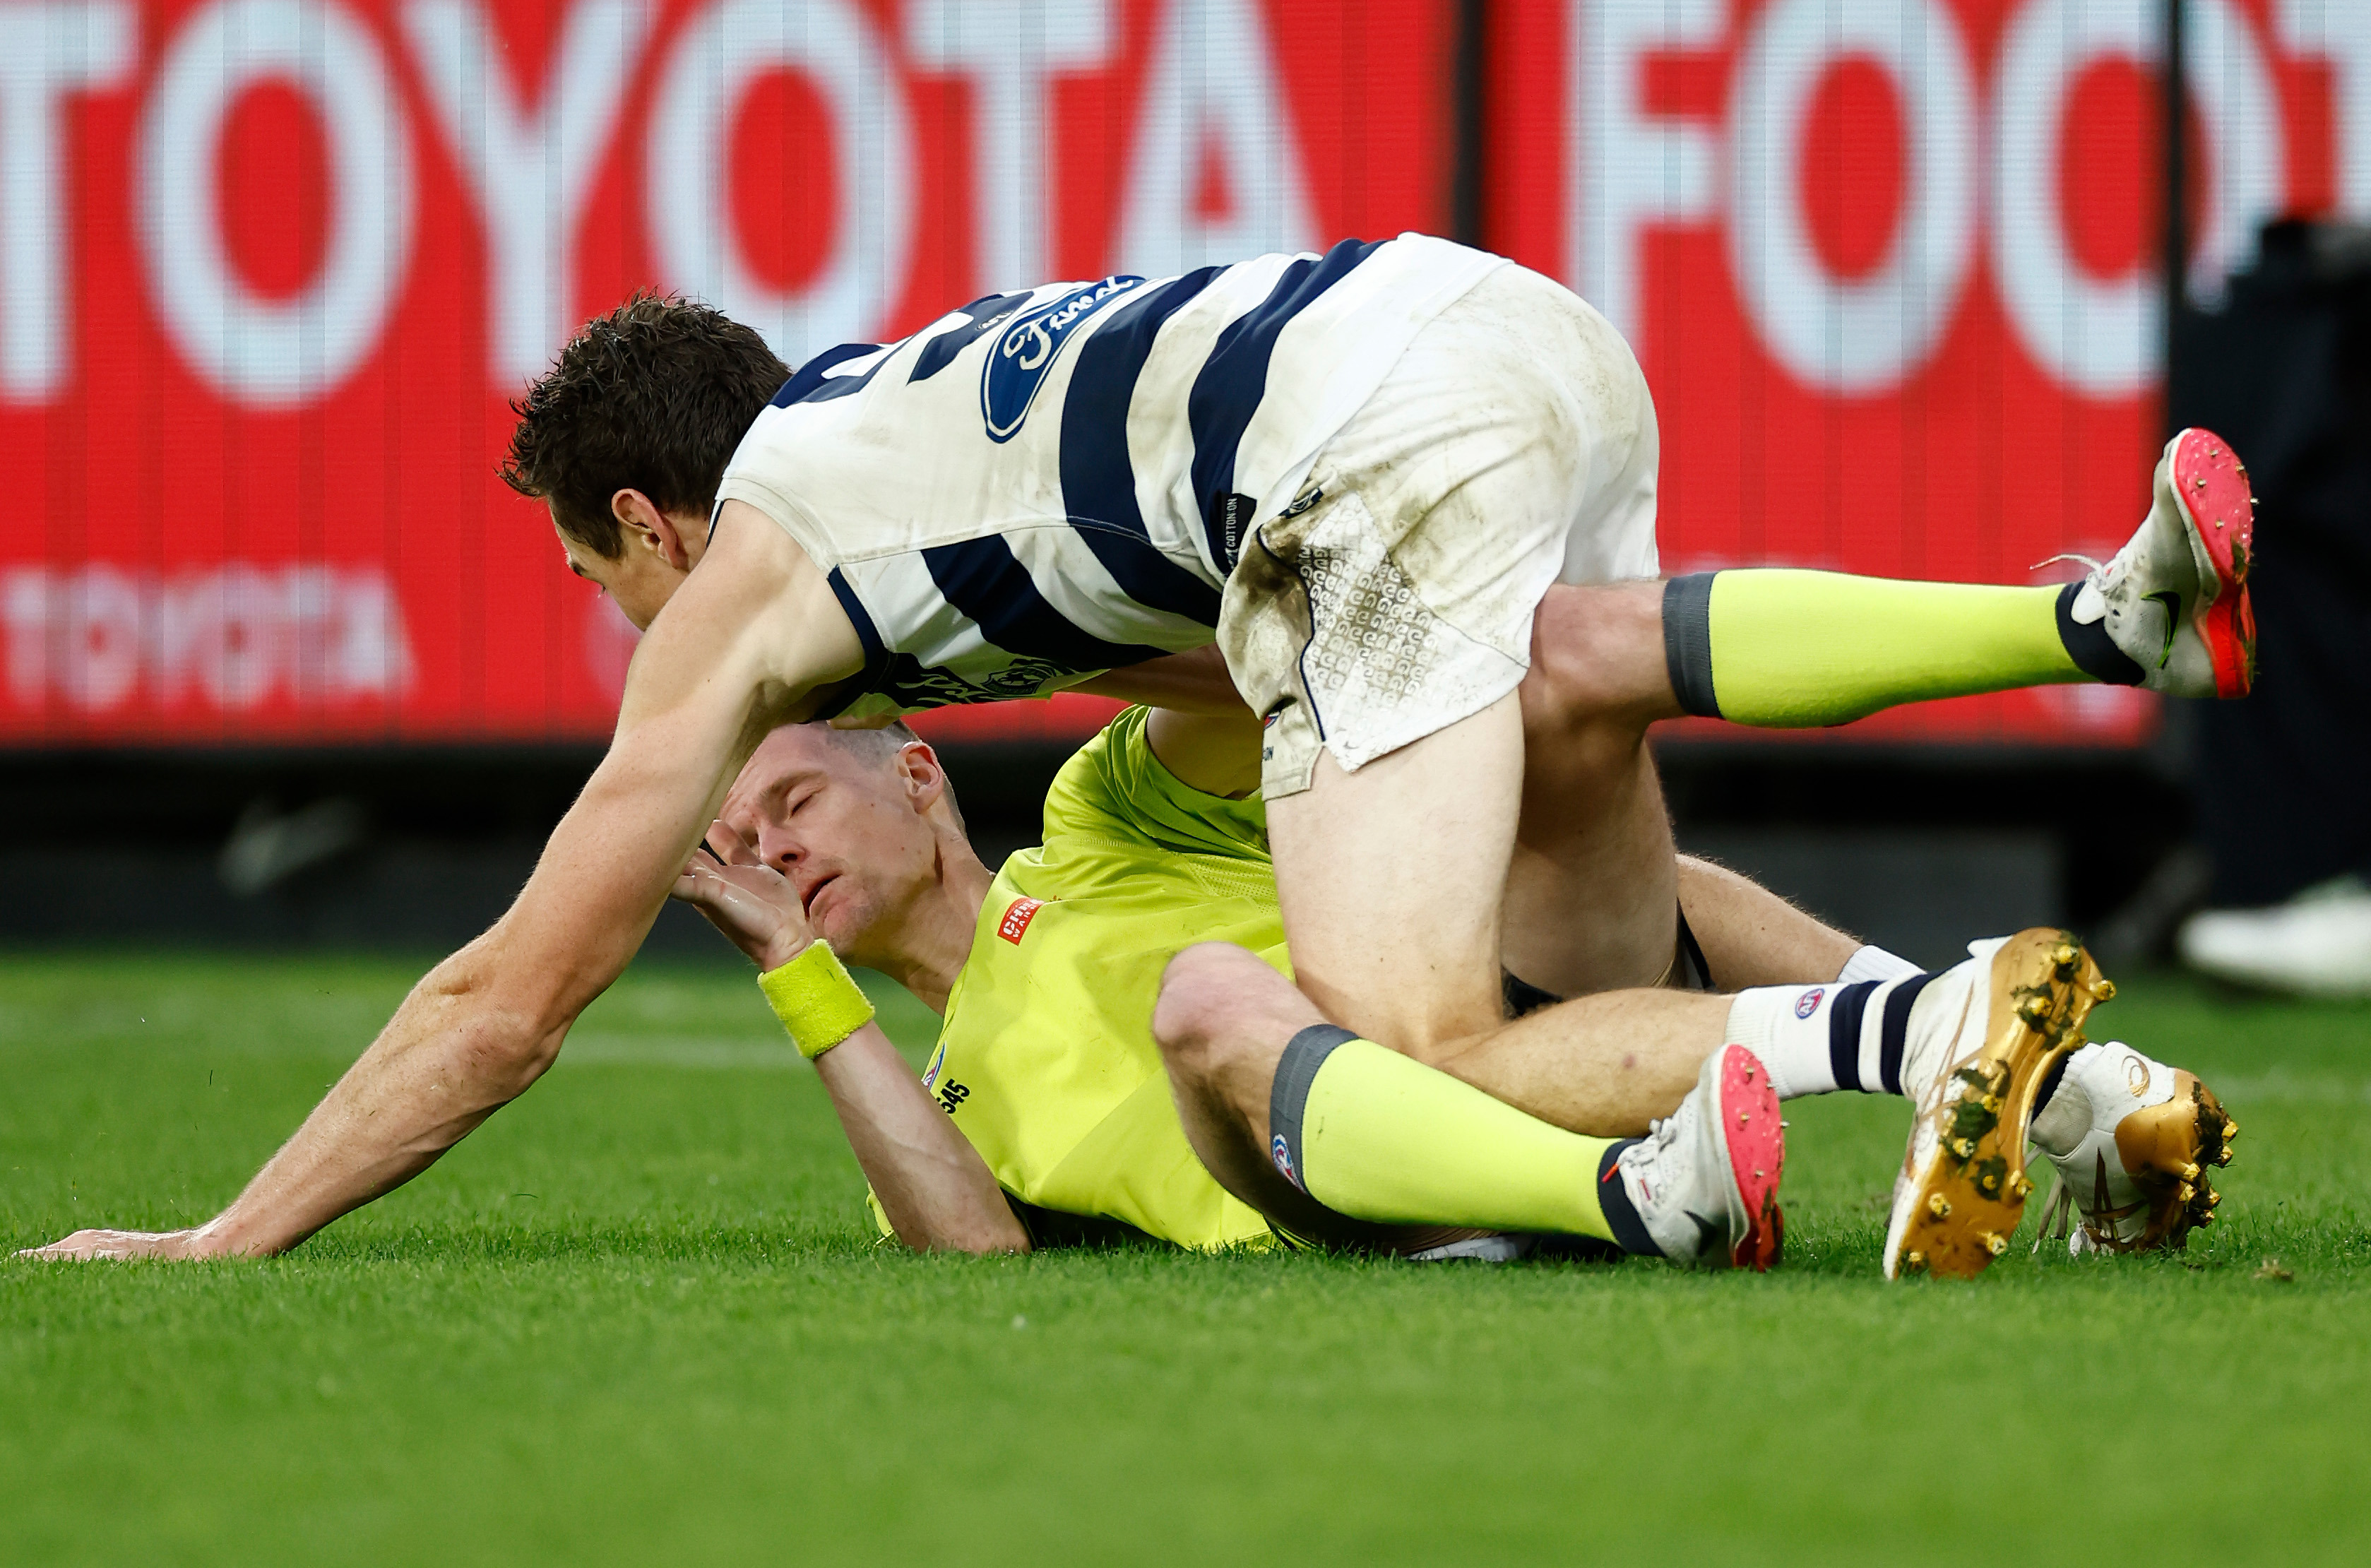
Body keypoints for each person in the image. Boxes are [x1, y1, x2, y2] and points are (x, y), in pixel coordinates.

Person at [20, 249, 2252, 1267]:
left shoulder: (743, 590)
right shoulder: (895, 417)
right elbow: (1236, 656)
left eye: (601, 576)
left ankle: (1918, 1034)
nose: (634, 635)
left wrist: (232, 1232)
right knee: (1563, 684)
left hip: (1353, 444)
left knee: (1413, 1027)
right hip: (1496, 323)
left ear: (645, 523)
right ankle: (2079, 636)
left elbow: (509, 999)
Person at [670, 698, 2238, 1278]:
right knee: (1209, 998)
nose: (770, 853)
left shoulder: (1096, 822)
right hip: (1347, 1197)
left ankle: (2063, 1098)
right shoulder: (915, 1095)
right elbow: (970, 1246)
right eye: (739, 845)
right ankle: (1641, 1189)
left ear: (920, 776)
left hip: (1482, 1043)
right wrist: (799, 977)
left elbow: (1240, 676)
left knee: (1619, 862)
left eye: (793, 802)